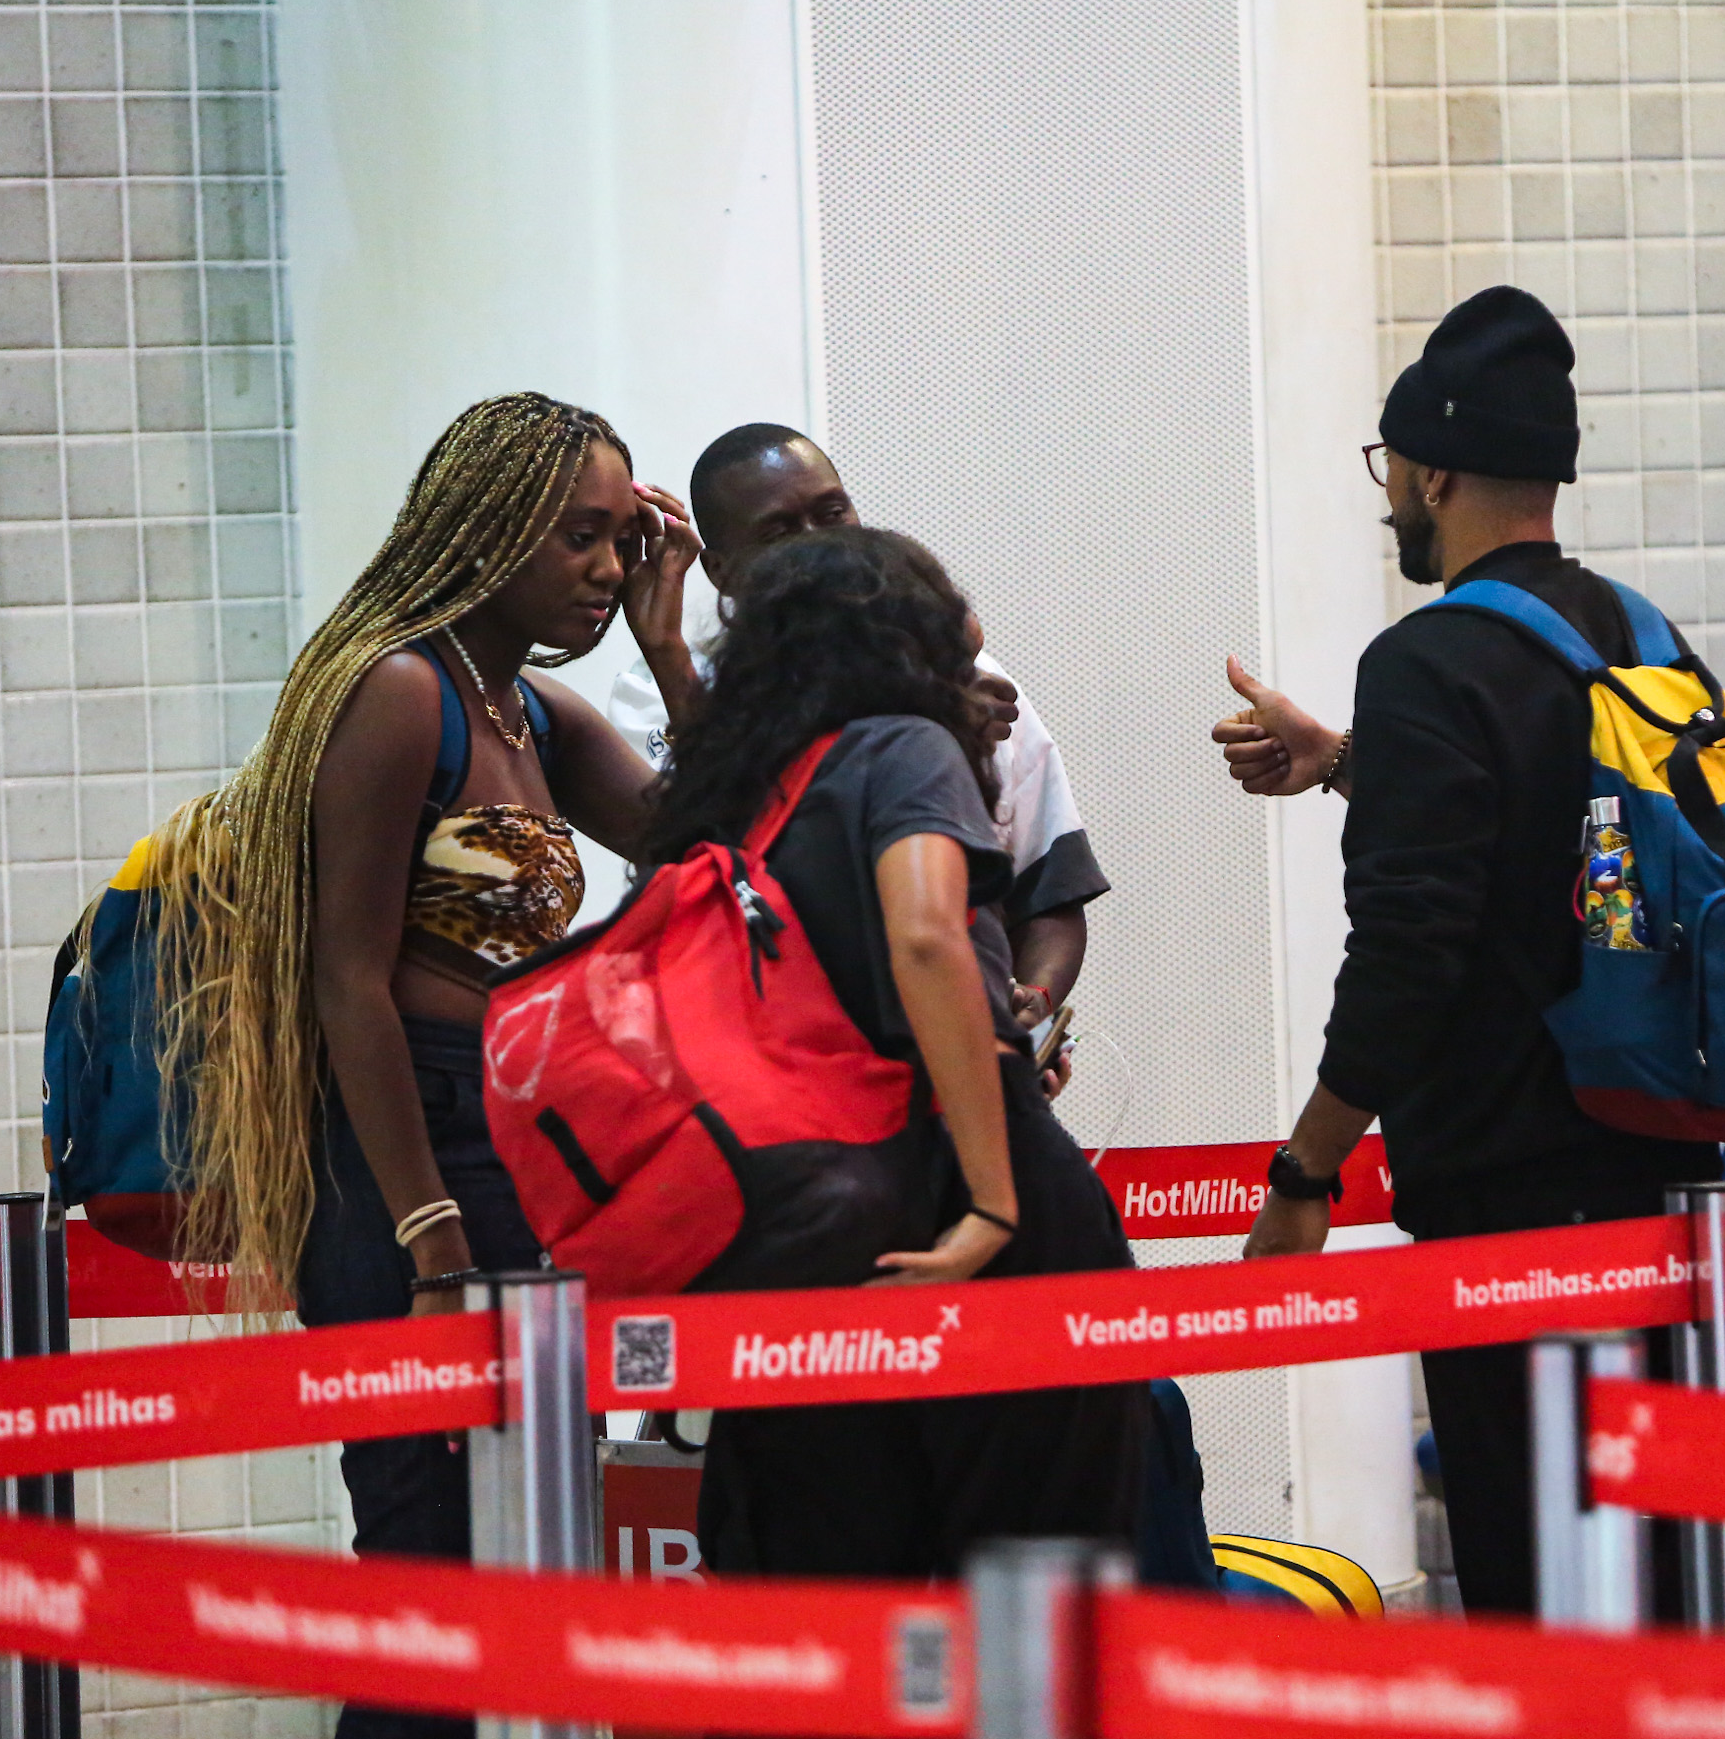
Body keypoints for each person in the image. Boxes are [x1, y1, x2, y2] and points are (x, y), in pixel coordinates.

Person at [144, 393, 701, 1739]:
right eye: (579, 538)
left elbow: (706, 848)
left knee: (519, 1559)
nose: (607, 573)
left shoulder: (528, 710)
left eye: (626, 542)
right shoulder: (400, 690)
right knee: (426, 1574)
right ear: (487, 526)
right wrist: (433, 1241)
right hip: (402, 1160)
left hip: (506, 1150)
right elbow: (350, 980)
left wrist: (675, 653)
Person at [1212, 286, 1718, 1616]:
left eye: (1395, 474)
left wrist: (1304, 1168)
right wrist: (1348, 770)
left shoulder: (1429, 662)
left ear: (1435, 470)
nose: (1395, 504)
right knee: (1665, 1563)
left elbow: (1410, 950)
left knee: (1532, 1565)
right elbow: (1552, 830)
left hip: (1511, 1192)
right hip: (1671, 1172)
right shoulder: (1647, 642)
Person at [641, 524, 1147, 1577]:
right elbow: (923, 935)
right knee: (1033, 1582)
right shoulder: (902, 746)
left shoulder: (750, 803)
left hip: (813, 1219)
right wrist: (993, 1201)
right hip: (974, 1202)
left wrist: (665, 654)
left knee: (827, 1575)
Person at [609, 423, 1106, 1034]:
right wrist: (665, 652)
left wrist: (1031, 1003)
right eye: (779, 531)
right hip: (769, 1063)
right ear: (719, 570)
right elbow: (715, 864)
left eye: (832, 512)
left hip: (957, 1053)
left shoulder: (969, 675)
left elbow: (1050, 890)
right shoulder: (659, 691)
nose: (817, 546)